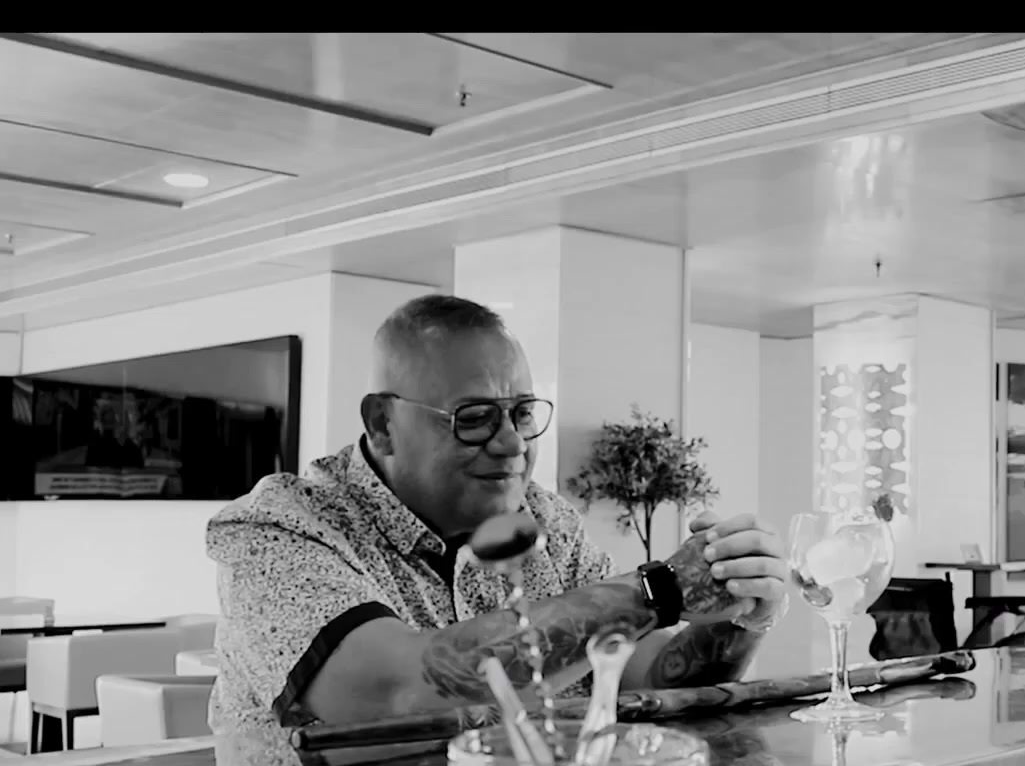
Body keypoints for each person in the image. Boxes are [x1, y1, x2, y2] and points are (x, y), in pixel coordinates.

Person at [205, 294, 790, 737]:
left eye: (522, 414)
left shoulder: (547, 523)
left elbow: (647, 678)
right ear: (383, 424)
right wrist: (659, 589)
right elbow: (398, 693)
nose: (512, 444)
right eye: (475, 418)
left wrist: (736, 617)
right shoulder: (279, 527)